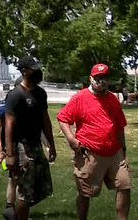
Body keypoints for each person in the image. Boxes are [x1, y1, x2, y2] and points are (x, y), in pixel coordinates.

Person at [56, 63, 131, 220]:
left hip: (115, 154)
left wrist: (123, 150)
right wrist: (71, 139)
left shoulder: (112, 99)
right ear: (90, 78)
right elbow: (63, 118)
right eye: (97, 78)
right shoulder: (80, 97)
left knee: (124, 185)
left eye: (104, 78)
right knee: (85, 193)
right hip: (90, 154)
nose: (101, 82)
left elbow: (120, 126)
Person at [4, 56, 56, 220]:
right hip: (22, 147)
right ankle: (19, 215)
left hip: (36, 147)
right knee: (26, 193)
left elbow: (45, 121)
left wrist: (51, 145)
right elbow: (9, 126)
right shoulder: (15, 95)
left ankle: (18, 213)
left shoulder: (40, 93)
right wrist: (10, 155)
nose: (38, 71)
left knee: (43, 188)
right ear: (24, 71)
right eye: (34, 69)